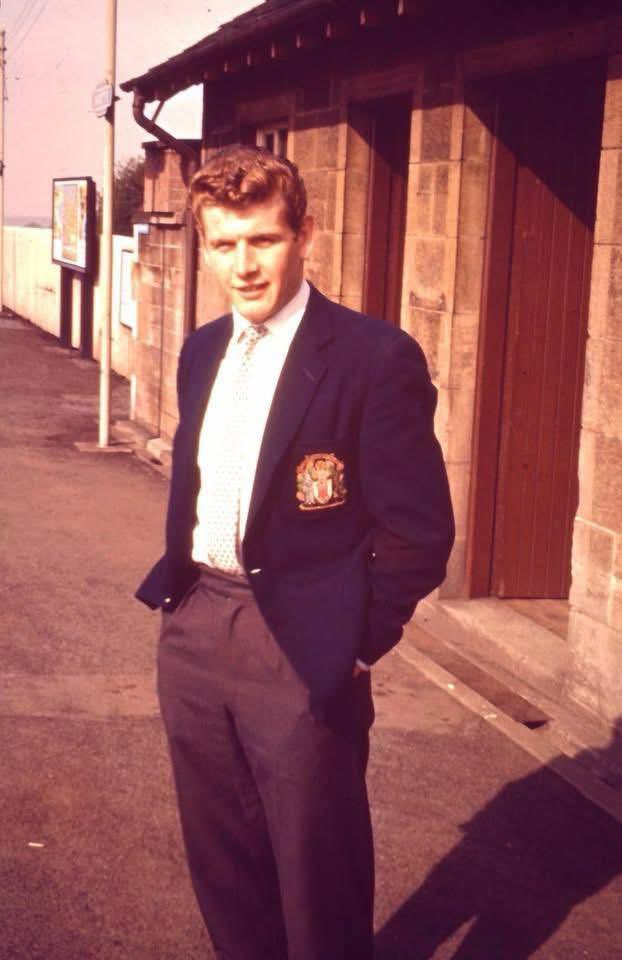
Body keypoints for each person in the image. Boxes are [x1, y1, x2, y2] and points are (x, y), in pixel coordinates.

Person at [136, 144, 454, 960]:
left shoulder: (373, 357)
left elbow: (420, 532)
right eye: (224, 245)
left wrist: (352, 645)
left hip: (303, 647)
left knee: (319, 877)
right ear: (206, 246)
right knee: (224, 868)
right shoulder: (202, 350)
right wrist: (183, 607)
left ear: (304, 234)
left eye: (262, 241)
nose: (243, 266)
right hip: (198, 624)